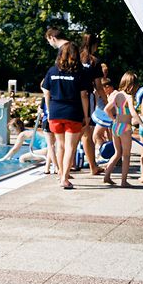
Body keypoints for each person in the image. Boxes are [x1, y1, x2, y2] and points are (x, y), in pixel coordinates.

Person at [42, 42, 90, 190]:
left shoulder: (52, 71)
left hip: (55, 112)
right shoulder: (79, 72)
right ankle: (64, 177)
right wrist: (86, 115)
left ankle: (61, 174)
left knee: (60, 146)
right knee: (70, 146)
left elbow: (46, 91)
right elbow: (84, 95)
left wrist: (49, 111)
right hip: (73, 112)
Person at [102, 72, 143, 187]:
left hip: (116, 126)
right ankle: (124, 181)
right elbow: (133, 113)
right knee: (126, 155)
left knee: (117, 153)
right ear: (132, 85)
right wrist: (142, 125)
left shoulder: (117, 95)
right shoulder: (129, 97)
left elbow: (106, 110)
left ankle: (106, 176)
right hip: (125, 128)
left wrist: (113, 119)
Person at [79, 33, 106, 175]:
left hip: (72, 96)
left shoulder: (74, 57)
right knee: (86, 133)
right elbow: (99, 86)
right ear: (94, 45)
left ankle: (67, 167)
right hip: (87, 97)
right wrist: (107, 102)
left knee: (71, 132)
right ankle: (92, 166)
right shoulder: (94, 61)